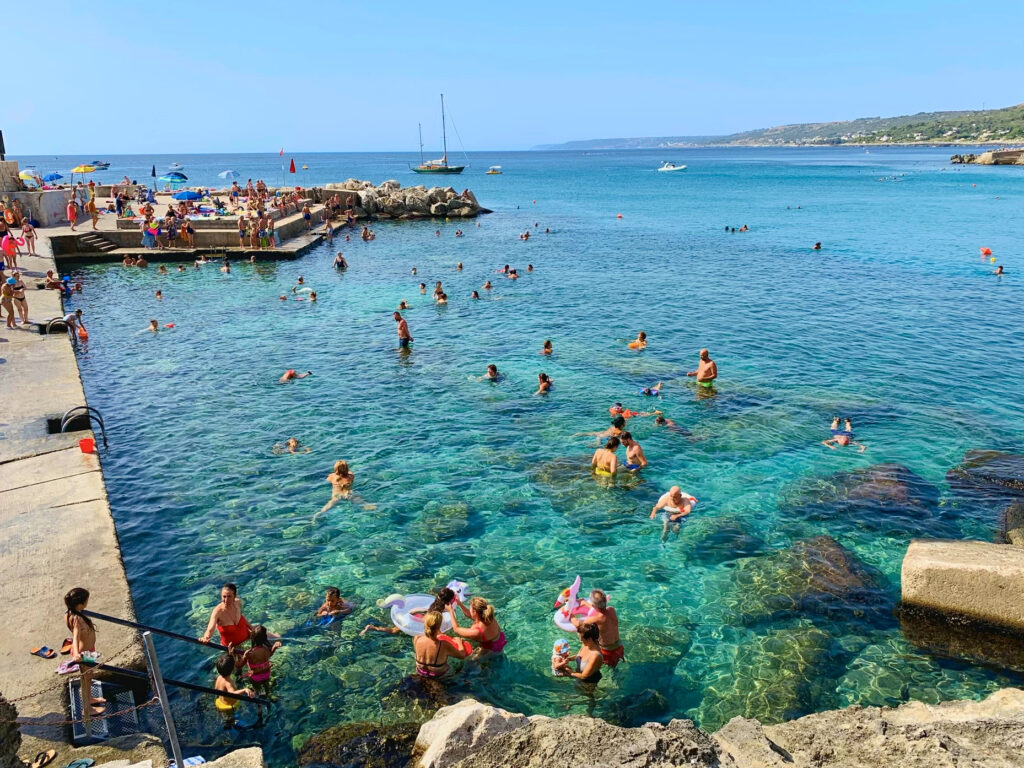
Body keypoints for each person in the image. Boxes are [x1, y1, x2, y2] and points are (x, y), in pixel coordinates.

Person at [65, 587, 105, 716]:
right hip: (84, 653)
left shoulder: (70, 613)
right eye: (87, 600)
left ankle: (90, 699)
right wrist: (77, 654)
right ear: (81, 604)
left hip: (88, 650)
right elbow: (75, 637)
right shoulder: (77, 619)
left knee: (89, 676)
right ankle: (87, 709)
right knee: (86, 679)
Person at [570, 589, 622, 669]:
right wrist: (585, 603)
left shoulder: (595, 619)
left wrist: (570, 614)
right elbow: (600, 610)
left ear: (594, 606)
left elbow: (577, 624)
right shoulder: (611, 610)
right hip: (619, 647)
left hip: (607, 652)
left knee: (610, 672)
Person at [413, 610, 469, 678]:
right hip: (438, 676)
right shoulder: (443, 644)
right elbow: (462, 655)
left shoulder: (417, 638)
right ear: (439, 626)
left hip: (420, 672)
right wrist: (459, 641)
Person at [200, 583, 252, 647]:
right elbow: (210, 629)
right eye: (224, 596)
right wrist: (206, 637)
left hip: (248, 639)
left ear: (235, 596)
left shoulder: (238, 603)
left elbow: (241, 618)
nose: (226, 600)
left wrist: (252, 628)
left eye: (229, 596)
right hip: (232, 649)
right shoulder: (217, 612)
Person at [214, 652, 255, 726]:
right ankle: (232, 724)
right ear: (233, 669)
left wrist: (230, 654)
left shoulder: (219, 678)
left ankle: (228, 722)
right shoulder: (228, 683)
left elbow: (216, 689)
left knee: (226, 718)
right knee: (232, 721)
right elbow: (232, 693)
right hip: (230, 707)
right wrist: (244, 689)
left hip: (219, 702)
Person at [242, 626, 281, 695]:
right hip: (266, 674)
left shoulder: (251, 653)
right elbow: (269, 655)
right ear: (265, 638)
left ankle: (258, 698)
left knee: (257, 690)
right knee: (267, 686)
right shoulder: (266, 649)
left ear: (252, 638)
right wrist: (274, 647)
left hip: (255, 676)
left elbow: (240, 664)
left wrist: (244, 656)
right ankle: (268, 694)